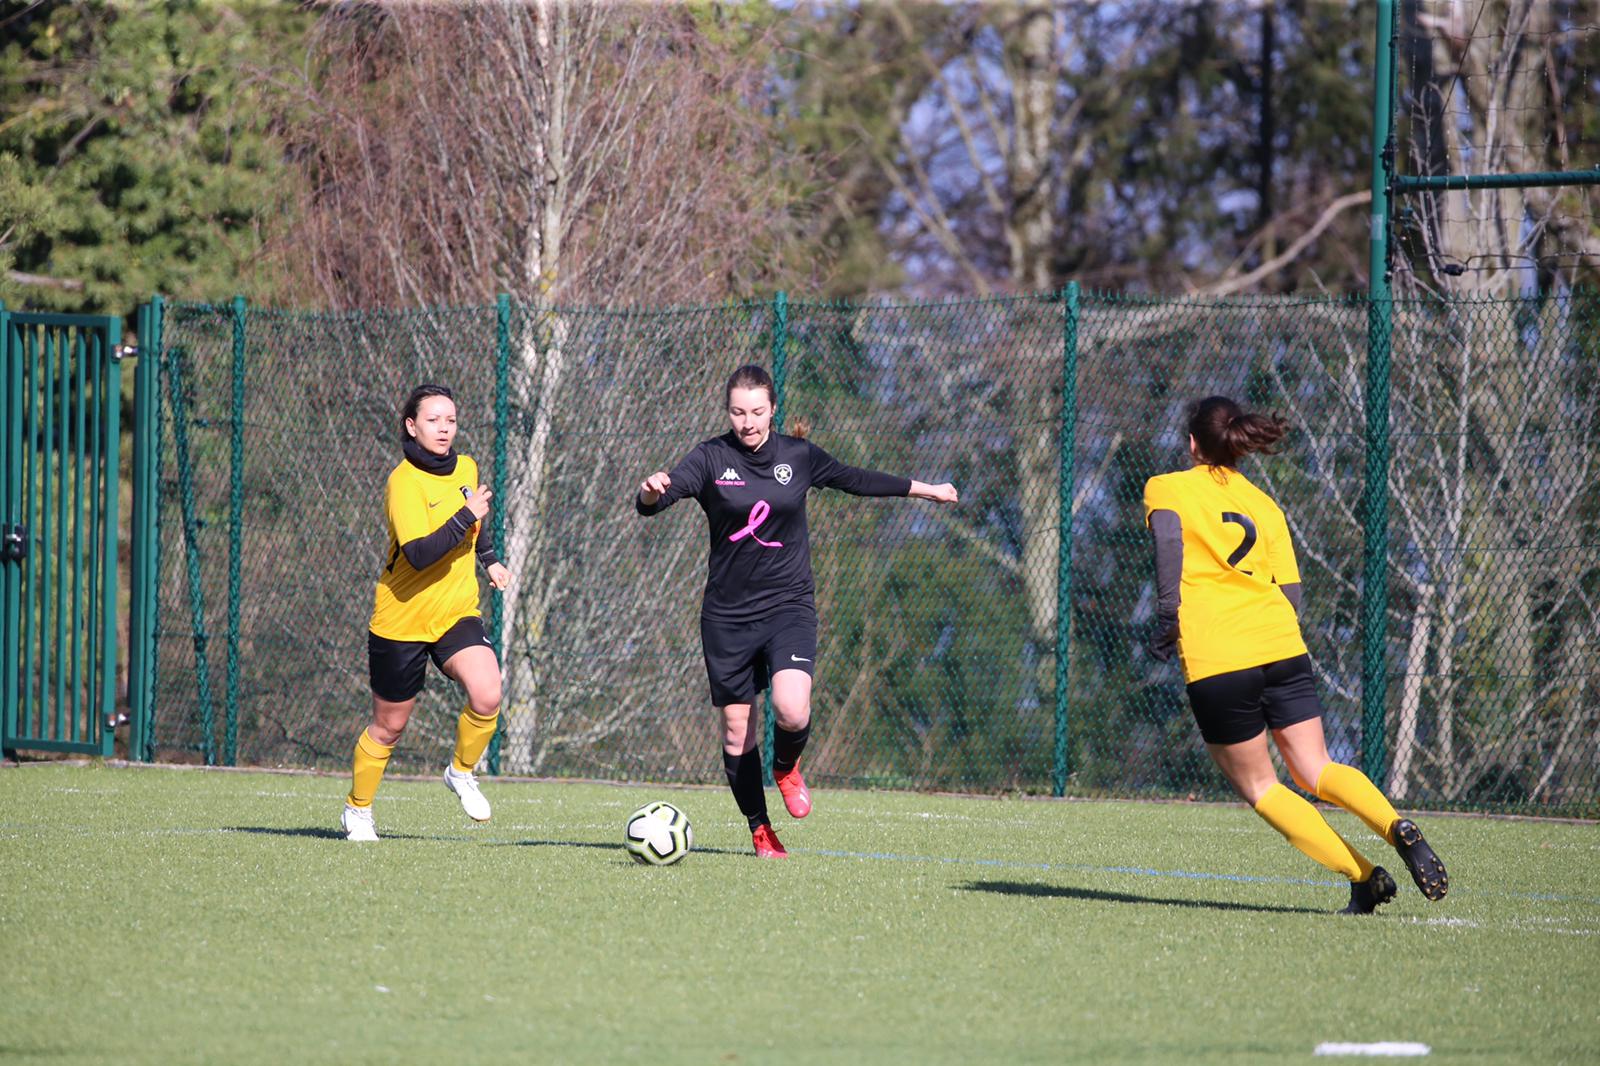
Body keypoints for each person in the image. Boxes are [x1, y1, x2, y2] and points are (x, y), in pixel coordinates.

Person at [636, 365, 959, 858]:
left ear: (773, 410)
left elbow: (855, 479)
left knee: (791, 708)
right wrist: (651, 491)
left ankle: (786, 767)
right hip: (727, 616)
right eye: (738, 412)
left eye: (757, 411)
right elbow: (657, 499)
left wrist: (925, 489)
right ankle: (760, 829)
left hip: (789, 605)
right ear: (728, 412)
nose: (747, 422)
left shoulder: (798, 456)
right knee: (737, 731)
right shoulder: (710, 457)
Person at [1143, 395, 1449, 913]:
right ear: (1238, 445)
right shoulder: (1265, 505)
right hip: (1282, 644)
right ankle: (1396, 825)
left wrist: (1168, 618)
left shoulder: (1166, 487)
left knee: (1263, 787)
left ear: (1194, 444)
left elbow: (1169, 547)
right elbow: (1291, 593)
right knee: (1316, 767)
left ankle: (1364, 875)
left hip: (1220, 656)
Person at [341, 384, 514, 842]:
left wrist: (490, 559)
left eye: (450, 420)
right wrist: (464, 514)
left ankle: (461, 772)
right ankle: (358, 810)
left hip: (456, 611)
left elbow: (477, 522)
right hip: (401, 620)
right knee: (389, 727)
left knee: (488, 694)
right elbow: (418, 554)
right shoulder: (403, 482)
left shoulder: (466, 467)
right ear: (411, 426)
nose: (444, 428)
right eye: (433, 420)